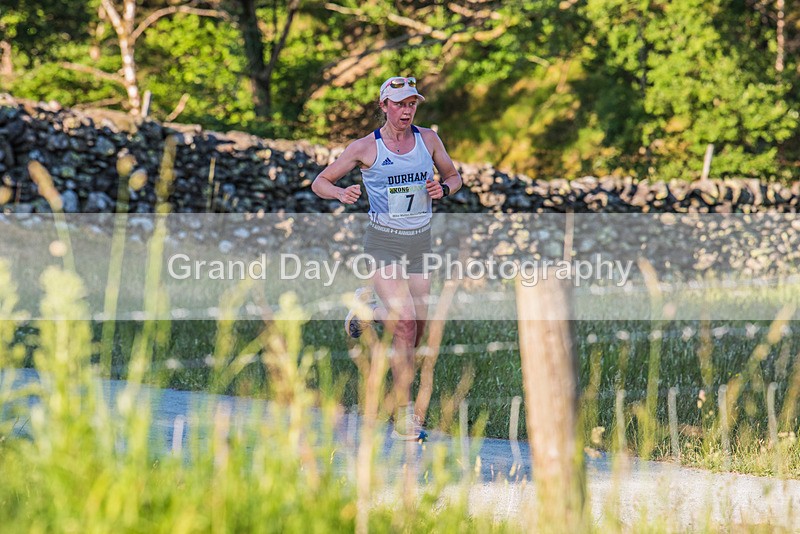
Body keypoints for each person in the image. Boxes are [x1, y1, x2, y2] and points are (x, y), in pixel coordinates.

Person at [311, 76, 462, 441]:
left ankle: (370, 310)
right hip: (384, 242)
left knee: (418, 326)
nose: (407, 110)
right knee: (406, 322)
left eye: (412, 103)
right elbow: (320, 182)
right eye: (399, 103)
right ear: (384, 106)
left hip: (419, 242)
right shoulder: (365, 147)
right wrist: (339, 193)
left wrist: (442, 188)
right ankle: (405, 415)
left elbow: (455, 176)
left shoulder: (428, 140)